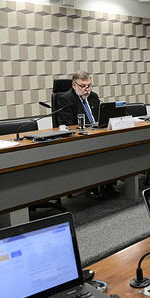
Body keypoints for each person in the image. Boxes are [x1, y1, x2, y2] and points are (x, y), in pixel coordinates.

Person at [56, 70, 118, 200]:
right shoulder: (65, 99)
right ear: (74, 85)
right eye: (83, 86)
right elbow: (68, 125)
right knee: (95, 154)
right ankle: (92, 187)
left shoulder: (93, 97)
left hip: (97, 135)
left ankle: (109, 185)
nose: (87, 89)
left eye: (89, 86)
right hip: (79, 140)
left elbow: (100, 118)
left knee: (113, 149)